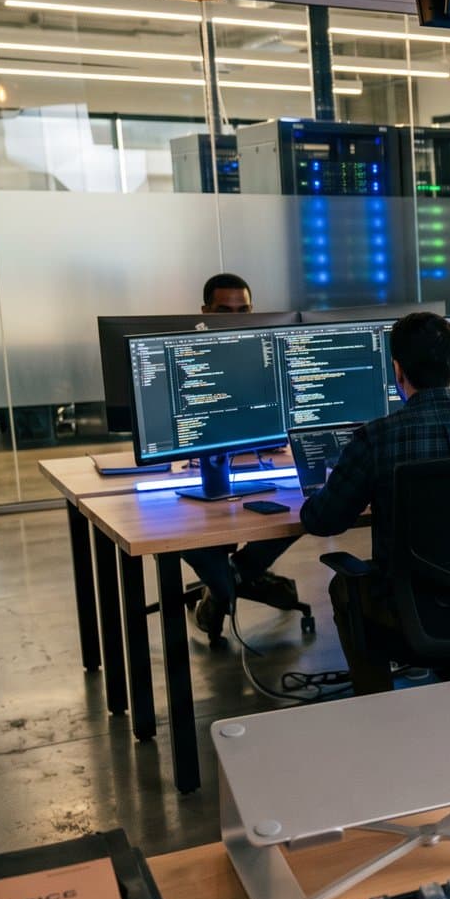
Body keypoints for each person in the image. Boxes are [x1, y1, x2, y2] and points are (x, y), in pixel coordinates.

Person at [302, 311, 450, 670]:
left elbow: (323, 520)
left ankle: (377, 700)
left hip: (414, 612)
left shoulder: (377, 438)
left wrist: (314, 492)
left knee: (343, 587)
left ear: (397, 370)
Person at [183, 272, 299, 638]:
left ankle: (228, 582)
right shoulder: (183, 356)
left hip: (260, 459)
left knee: (308, 505)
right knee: (173, 527)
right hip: (198, 466)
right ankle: (235, 581)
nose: (236, 319)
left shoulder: (266, 354)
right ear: (205, 312)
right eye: (224, 311)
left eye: (243, 311)